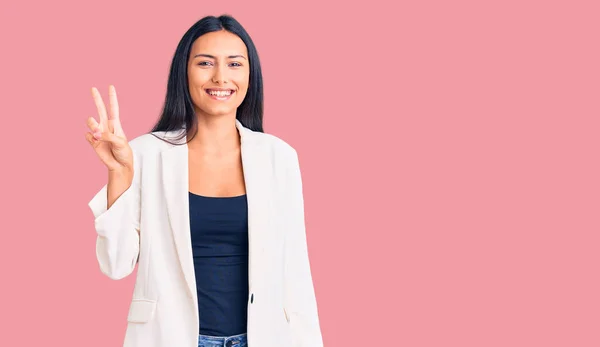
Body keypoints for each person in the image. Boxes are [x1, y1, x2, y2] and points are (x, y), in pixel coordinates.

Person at [85, 14, 323, 347]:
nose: (220, 77)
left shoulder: (278, 157)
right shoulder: (144, 154)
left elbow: (296, 274)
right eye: (205, 63)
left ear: (250, 76)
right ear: (184, 72)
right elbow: (115, 264)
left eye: (235, 64)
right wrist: (119, 173)